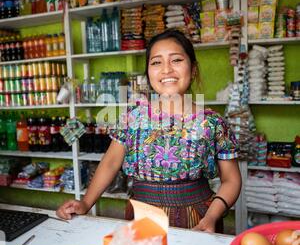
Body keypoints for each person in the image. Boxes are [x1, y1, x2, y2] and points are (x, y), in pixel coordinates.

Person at [57, 30, 242, 233]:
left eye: (177, 60)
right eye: (156, 62)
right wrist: (85, 203)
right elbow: (110, 163)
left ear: (194, 69)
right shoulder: (132, 117)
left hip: (198, 218)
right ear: (148, 73)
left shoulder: (213, 123)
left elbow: (231, 180)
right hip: (141, 216)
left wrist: (212, 216)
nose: (166, 70)